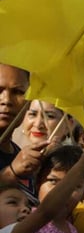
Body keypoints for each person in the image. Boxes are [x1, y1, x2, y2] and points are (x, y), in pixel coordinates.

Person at [0, 65, 45, 204]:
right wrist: (11, 173)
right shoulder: (18, 165)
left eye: (18, 92)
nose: (6, 100)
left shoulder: (22, 157)